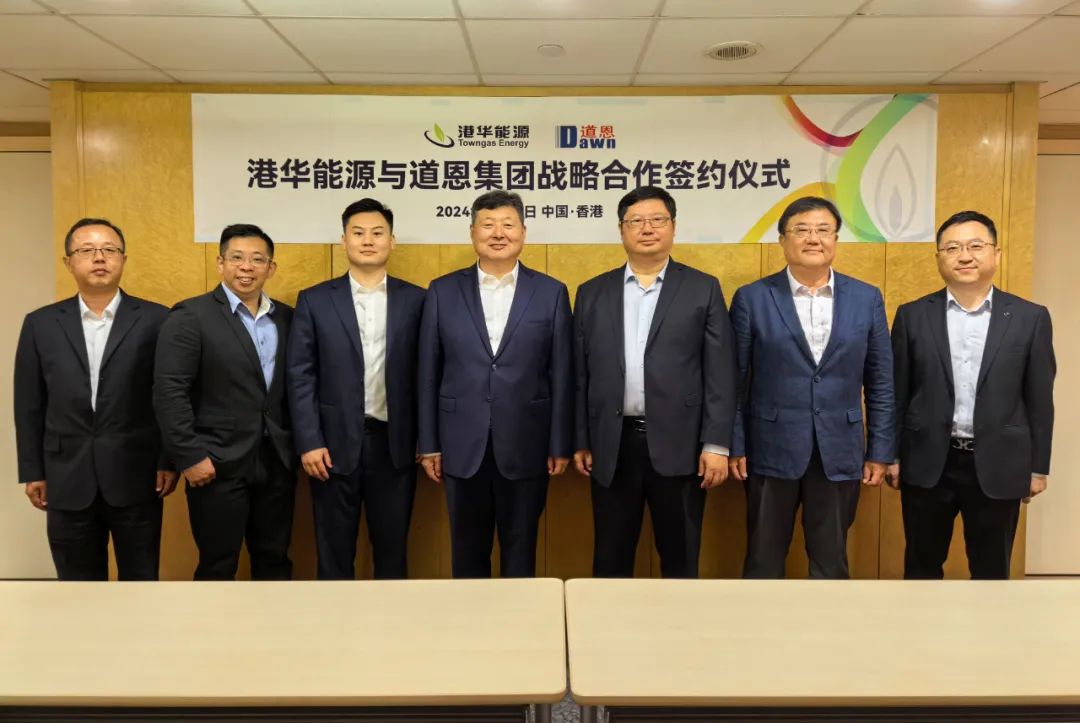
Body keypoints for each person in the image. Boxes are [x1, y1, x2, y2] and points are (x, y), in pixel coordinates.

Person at [573, 186, 736, 578]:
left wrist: (716, 444)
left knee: (680, 558)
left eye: (657, 220)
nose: (647, 229)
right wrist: (580, 438)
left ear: (673, 227)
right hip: (612, 446)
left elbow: (721, 373)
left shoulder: (702, 288)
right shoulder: (592, 292)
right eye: (636, 221)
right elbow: (579, 375)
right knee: (610, 559)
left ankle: (678, 620)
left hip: (683, 447)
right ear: (621, 229)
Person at [729, 196, 894, 579]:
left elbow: (882, 382)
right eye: (801, 230)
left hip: (840, 449)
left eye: (823, 230)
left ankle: (830, 620)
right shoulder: (752, 298)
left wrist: (881, 450)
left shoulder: (866, 298)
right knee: (763, 558)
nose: (813, 238)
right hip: (769, 448)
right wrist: (735, 444)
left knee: (831, 560)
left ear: (835, 239)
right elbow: (733, 381)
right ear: (783, 240)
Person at [889, 210, 1055, 580]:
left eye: (975, 246)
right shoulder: (912, 316)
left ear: (996, 253)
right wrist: (892, 455)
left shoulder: (1030, 318)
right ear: (939, 258)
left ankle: (990, 622)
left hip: (1000, 462)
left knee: (992, 571)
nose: (964, 256)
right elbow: (898, 392)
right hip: (927, 462)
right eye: (953, 248)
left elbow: (1040, 399)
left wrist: (1037, 467)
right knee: (921, 567)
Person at [418, 190, 573, 578]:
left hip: (528, 441)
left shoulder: (551, 292)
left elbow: (562, 372)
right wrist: (429, 443)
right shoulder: (442, 290)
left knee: (521, 550)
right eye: (488, 225)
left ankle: (521, 618)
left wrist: (559, 443)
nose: (498, 233)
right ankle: (470, 618)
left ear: (523, 232)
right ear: (472, 232)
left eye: (508, 224)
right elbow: (428, 372)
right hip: (460, 443)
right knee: (467, 552)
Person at [14, 218, 176, 581]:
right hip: (65, 475)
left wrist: (168, 459)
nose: (99, 258)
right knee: (77, 586)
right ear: (68, 261)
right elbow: (28, 403)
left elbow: (168, 396)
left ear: (123, 259)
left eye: (109, 250)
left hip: (138, 474)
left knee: (140, 580)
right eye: (87, 250)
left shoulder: (158, 319)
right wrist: (33, 470)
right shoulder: (40, 324)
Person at [287, 199, 425, 580]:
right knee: (333, 553)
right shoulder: (315, 299)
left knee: (393, 551)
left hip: (395, 445)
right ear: (343, 240)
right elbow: (300, 374)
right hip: (330, 448)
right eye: (358, 233)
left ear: (392, 241)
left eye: (378, 233)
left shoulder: (417, 299)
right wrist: (309, 442)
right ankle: (334, 619)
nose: (368, 241)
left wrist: (426, 437)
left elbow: (427, 373)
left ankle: (391, 617)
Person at [153, 224, 296, 581]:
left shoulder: (287, 317)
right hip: (215, 463)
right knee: (218, 564)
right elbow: (170, 392)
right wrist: (189, 457)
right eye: (237, 258)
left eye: (257, 259)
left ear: (271, 268)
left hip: (276, 460)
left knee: (275, 559)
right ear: (220, 264)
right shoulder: (190, 316)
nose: (246, 267)